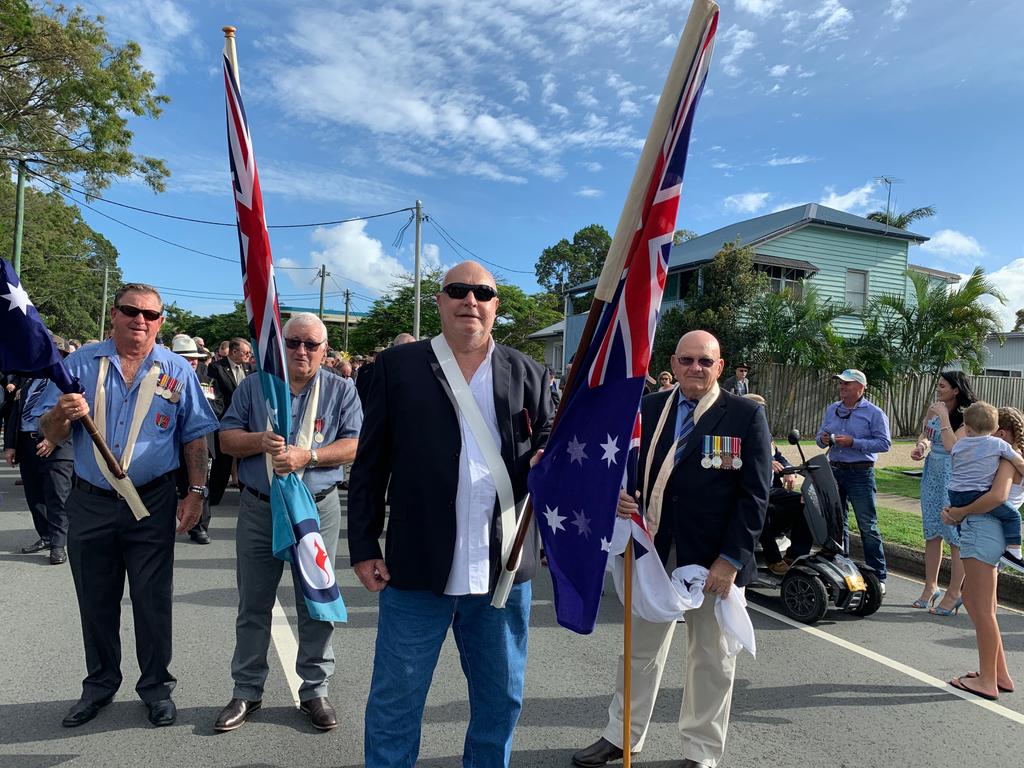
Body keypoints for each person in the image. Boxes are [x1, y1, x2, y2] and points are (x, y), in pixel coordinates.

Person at [348, 261, 553, 768]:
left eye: (482, 292)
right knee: (397, 701)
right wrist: (362, 545)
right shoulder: (395, 369)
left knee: (500, 701)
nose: (470, 300)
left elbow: (549, 443)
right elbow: (370, 462)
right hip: (416, 568)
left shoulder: (528, 372)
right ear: (439, 301)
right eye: (458, 291)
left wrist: (551, 460)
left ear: (495, 306)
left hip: (502, 571)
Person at [572, 330, 772, 768]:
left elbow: (755, 494)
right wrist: (620, 498)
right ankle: (621, 734)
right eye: (687, 360)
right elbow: (624, 467)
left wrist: (732, 559)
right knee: (639, 651)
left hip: (714, 561)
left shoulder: (744, 415)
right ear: (674, 363)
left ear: (720, 366)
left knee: (711, 657)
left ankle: (701, 751)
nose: (695, 368)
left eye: (705, 361)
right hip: (653, 553)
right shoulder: (648, 409)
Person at [37, 283, 218, 728]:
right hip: (91, 501)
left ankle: (156, 687)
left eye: (151, 315)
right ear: (113, 315)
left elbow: (195, 436)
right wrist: (62, 412)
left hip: (152, 502)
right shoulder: (78, 365)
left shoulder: (178, 370)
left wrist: (196, 493)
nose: (141, 320)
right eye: (131, 311)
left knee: (152, 601)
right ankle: (99, 685)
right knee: (95, 600)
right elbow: (49, 431)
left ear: (160, 322)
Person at [212, 312, 362, 732]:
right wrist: (260, 440)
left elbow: (354, 445)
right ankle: (247, 691)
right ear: (280, 346)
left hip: (316, 508)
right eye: (293, 342)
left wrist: (308, 456)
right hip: (261, 506)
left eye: (310, 345)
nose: (300, 351)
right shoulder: (256, 386)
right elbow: (225, 439)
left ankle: (314, 691)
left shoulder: (341, 389)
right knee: (254, 602)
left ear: (323, 350)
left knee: (316, 603)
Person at [942, 406, 1024, 699]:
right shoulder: (999, 455)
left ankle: (987, 680)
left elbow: (997, 497)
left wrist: (959, 511)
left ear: (1001, 432)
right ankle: (998, 674)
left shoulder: (1004, 458)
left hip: (981, 530)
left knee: (980, 609)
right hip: (984, 530)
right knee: (983, 609)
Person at [815, 368, 891, 593]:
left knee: (867, 525)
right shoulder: (832, 409)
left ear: (861, 387)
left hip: (860, 472)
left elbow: (884, 443)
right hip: (835, 470)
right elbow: (820, 439)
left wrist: (854, 442)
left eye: (847, 384)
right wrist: (824, 438)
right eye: (840, 384)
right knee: (838, 522)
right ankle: (843, 568)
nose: (842, 387)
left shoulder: (874, 413)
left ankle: (878, 575)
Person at [908, 371, 976, 613]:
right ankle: (930, 587)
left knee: (954, 536)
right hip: (931, 475)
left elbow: (953, 448)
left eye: (943, 386)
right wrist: (921, 446)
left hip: (953, 478)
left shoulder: (967, 417)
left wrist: (943, 415)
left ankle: (955, 591)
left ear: (956, 389)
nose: (938, 390)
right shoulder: (935, 409)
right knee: (932, 532)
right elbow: (927, 434)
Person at [4, 335, 75, 564]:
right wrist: (11, 445)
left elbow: (76, 416)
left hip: (57, 445)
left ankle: (58, 544)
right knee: (35, 496)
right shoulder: (28, 378)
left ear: (62, 356)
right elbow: (15, 412)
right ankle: (44, 535)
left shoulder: (70, 381)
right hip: (27, 442)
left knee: (57, 496)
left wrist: (53, 439)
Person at [944, 402, 1024, 577]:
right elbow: (998, 496)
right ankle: (1015, 552)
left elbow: (955, 464)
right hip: (979, 505)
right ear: (995, 429)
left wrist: (959, 511)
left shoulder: (960, 445)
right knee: (1014, 516)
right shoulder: (999, 447)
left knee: (975, 594)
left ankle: (961, 536)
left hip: (955, 492)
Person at [743, 393, 811, 575]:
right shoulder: (738, 431)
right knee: (760, 508)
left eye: (762, 407)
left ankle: (796, 554)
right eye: (756, 407)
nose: (761, 411)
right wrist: (765, 461)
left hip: (772, 488)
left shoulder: (766, 432)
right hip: (750, 488)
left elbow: (778, 456)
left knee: (807, 502)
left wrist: (788, 470)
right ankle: (773, 559)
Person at [171, 335, 223, 544]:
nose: (193, 362)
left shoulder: (208, 380)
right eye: (187, 358)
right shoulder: (163, 378)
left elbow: (219, 406)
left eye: (195, 358)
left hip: (201, 442)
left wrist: (198, 413)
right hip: (170, 444)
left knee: (200, 485)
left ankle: (200, 526)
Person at [207, 337, 253, 504]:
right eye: (246, 352)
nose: (249, 355)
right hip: (225, 419)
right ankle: (213, 498)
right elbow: (215, 396)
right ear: (234, 352)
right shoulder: (216, 368)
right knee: (222, 461)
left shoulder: (250, 368)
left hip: (246, 421)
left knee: (245, 459)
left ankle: (246, 494)